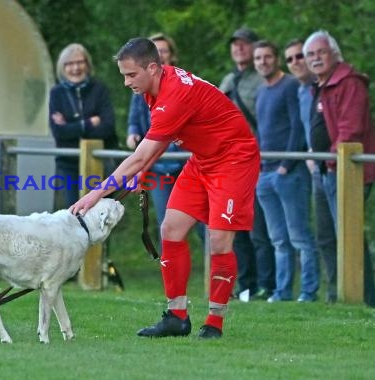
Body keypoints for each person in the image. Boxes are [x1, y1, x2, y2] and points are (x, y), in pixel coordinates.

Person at [70, 37, 260, 339]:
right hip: (204, 160)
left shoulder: (174, 95)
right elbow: (159, 142)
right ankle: (176, 317)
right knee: (171, 229)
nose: (126, 82)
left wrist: (95, 193)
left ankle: (215, 323)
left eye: (131, 75)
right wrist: (142, 170)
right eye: (123, 75)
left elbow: (141, 154)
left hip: (234, 159)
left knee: (220, 240)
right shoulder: (155, 87)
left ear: (154, 68)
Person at [303, 30, 375, 307]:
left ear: (334, 54)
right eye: (311, 54)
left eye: (321, 52)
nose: (315, 58)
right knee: (326, 236)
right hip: (324, 171)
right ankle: (337, 295)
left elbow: (350, 131)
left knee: (349, 234)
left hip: (345, 171)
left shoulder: (349, 83)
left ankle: (364, 296)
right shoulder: (318, 85)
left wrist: (333, 163)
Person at [253, 40, 319, 303]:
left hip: (289, 173)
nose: (262, 62)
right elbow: (260, 130)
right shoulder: (261, 91)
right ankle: (282, 292)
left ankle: (308, 292)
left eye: (268, 57)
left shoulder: (290, 85)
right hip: (264, 173)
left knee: (299, 236)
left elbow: (297, 127)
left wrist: (285, 166)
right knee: (278, 239)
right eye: (258, 58)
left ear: (276, 58)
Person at [219, 27, 275, 299]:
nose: (239, 48)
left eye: (244, 44)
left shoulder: (262, 81)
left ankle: (267, 285)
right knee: (234, 226)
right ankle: (246, 284)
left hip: (256, 160)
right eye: (235, 44)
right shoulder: (229, 79)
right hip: (230, 163)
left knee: (260, 228)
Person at [284, 38, 337, 304]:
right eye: (291, 59)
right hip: (314, 167)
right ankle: (332, 293)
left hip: (332, 166)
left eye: (299, 57)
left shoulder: (325, 87)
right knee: (322, 234)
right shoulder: (301, 91)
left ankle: (348, 292)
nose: (296, 62)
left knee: (337, 232)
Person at [49, 43, 118, 210]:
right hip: (69, 163)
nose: (75, 68)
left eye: (80, 62)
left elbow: (108, 127)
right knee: (73, 213)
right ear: (62, 67)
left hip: (100, 162)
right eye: (69, 64)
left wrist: (71, 127)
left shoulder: (99, 89)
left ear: (87, 64)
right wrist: (88, 123)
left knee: (100, 214)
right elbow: (58, 132)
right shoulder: (57, 93)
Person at [126, 33, 183, 230]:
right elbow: (134, 119)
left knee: (201, 221)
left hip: (186, 163)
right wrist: (132, 135)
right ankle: (168, 261)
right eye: (155, 52)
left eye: (164, 51)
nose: (159, 56)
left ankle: (209, 260)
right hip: (158, 166)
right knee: (165, 223)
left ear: (172, 55)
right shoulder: (142, 85)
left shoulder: (182, 83)